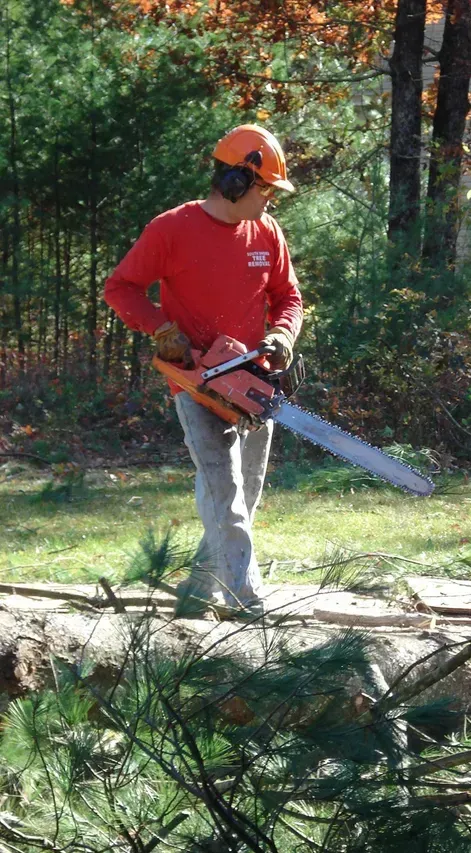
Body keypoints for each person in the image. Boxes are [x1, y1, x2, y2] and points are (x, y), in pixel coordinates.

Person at [104, 124, 303, 615]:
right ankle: (246, 600)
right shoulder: (172, 228)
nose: (270, 201)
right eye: (265, 190)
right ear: (236, 182)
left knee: (243, 496)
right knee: (224, 491)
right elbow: (121, 287)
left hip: (254, 383)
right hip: (197, 383)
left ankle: (199, 591)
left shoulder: (267, 232)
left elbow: (289, 297)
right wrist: (160, 328)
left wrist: (281, 335)